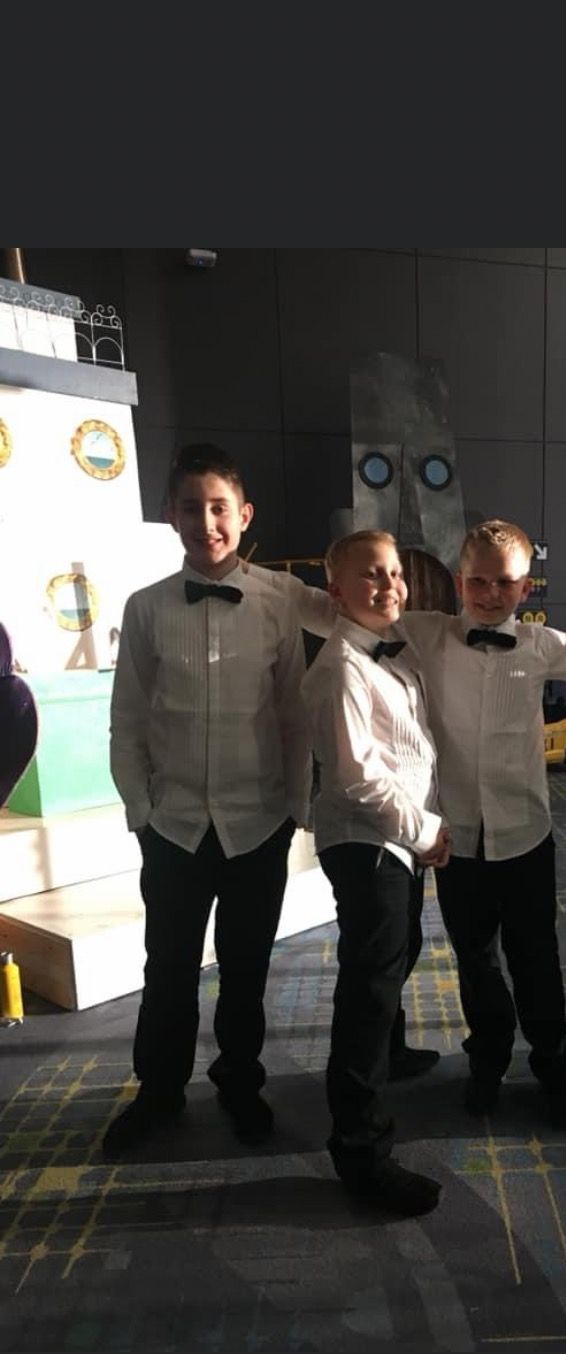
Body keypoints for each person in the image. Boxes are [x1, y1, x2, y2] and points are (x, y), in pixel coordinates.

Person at [288, 519, 566, 1123]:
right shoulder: (423, 633)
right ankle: (488, 1062)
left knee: (537, 961)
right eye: (479, 581)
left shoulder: (539, 644)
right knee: (475, 965)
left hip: (526, 836)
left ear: (527, 588)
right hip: (457, 840)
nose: (491, 594)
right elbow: (329, 610)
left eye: (506, 583)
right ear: (457, 580)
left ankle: (554, 1068)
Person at [103, 443, 311, 1156]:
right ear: (170, 514)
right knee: (167, 972)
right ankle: (158, 1093)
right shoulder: (146, 608)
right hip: (175, 826)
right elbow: (128, 717)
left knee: (247, 971)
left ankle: (240, 1083)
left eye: (219, 507)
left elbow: (293, 713)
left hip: (258, 823)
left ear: (244, 514)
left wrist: (295, 810)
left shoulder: (279, 603)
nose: (206, 521)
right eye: (190, 507)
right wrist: (140, 815)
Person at [300, 529, 450, 1216]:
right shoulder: (342, 667)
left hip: (395, 840)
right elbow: (360, 778)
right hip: (367, 841)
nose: (389, 586)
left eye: (394, 574)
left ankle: (389, 1052)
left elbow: (410, 753)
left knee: (397, 954)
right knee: (369, 984)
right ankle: (359, 1148)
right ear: (336, 591)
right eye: (370, 576)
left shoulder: (395, 654)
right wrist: (426, 832)